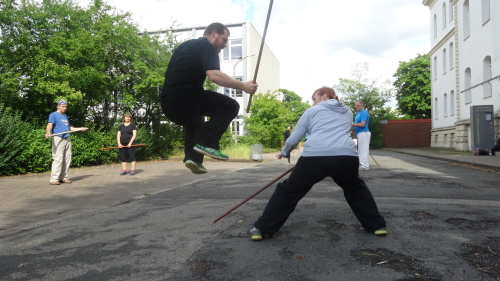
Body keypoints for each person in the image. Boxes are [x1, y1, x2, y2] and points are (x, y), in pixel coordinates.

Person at [250, 87, 387, 241]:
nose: (313, 103)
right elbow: (345, 131)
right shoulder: (348, 111)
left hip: (315, 157)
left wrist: (285, 152)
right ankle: (377, 226)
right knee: (356, 189)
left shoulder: (311, 111)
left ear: (324, 96)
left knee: (288, 192)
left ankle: (261, 229)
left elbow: (295, 137)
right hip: (346, 157)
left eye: (314, 99)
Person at [160, 22, 258, 175]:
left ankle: (193, 159)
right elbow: (214, 76)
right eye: (224, 40)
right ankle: (207, 143)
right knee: (230, 106)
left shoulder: (185, 46)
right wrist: (244, 86)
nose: (224, 45)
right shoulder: (207, 46)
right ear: (214, 34)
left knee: (195, 121)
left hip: (168, 103)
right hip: (184, 95)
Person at [44, 100, 88, 185]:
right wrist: (48, 132)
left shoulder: (65, 116)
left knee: (67, 159)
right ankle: (54, 179)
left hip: (67, 138)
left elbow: (69, 128)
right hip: (58, 138)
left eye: (66, 107)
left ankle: (63, 178)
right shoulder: (54, 115)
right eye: (63, 106)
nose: (64, 108)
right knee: (58, 158)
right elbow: (50, 125)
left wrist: (80, 128)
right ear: (58, 106)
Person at [353, 100, 370, 170]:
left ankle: (365, 165)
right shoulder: (358, 113)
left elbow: (362, 124)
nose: (356, 107)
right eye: (356, 106)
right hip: (359, 133)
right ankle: (363, 164)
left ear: (362, 105)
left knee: (363, 149)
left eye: (358, 106)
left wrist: (353, 124)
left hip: (364, 132)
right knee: (360, 149)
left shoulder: (364, 112)